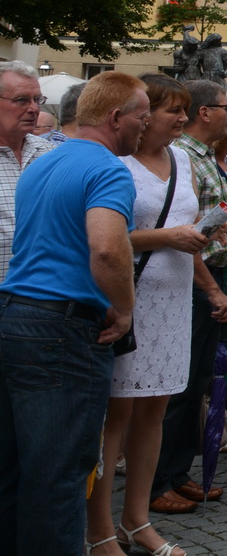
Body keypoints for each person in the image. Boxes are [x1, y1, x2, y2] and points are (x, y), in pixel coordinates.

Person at [0, 71, 144, 556]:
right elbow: (106, 249)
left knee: (15, 467)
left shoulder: (45, 161)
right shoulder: (107, 168)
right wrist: (124, 311)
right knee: (60, 475)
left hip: (16, 316)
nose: (144, 129)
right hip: (63, 330)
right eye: (141, 119)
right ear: (116, 117)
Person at [87, 75, 210, 556]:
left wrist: (204, 240)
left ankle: (136, 518)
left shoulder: (182, 160)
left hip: (174, 298)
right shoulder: (116, 162)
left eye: (184, 110)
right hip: (130, 300)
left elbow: (185, 224)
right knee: (115, 416)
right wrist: (167, 238)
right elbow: (102, 240)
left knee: (156, 409)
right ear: (142, 113)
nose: (182, 119)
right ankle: (99, 529)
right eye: (171, 111)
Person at [149, 79, 227, 515]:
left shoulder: (199, 157)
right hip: (190, 276)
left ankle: (178, 472)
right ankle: (158, 479)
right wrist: (212, 286)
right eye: (225, 106)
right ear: (207, 112)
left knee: (196, 382)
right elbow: (179, 231)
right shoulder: (183, 155)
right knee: (176, 385)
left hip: (208, 271)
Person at [0, 60, 55, 284]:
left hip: (40, 298)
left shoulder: (50, 154)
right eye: (22, 100)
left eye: (37, 100)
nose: (33, 109)